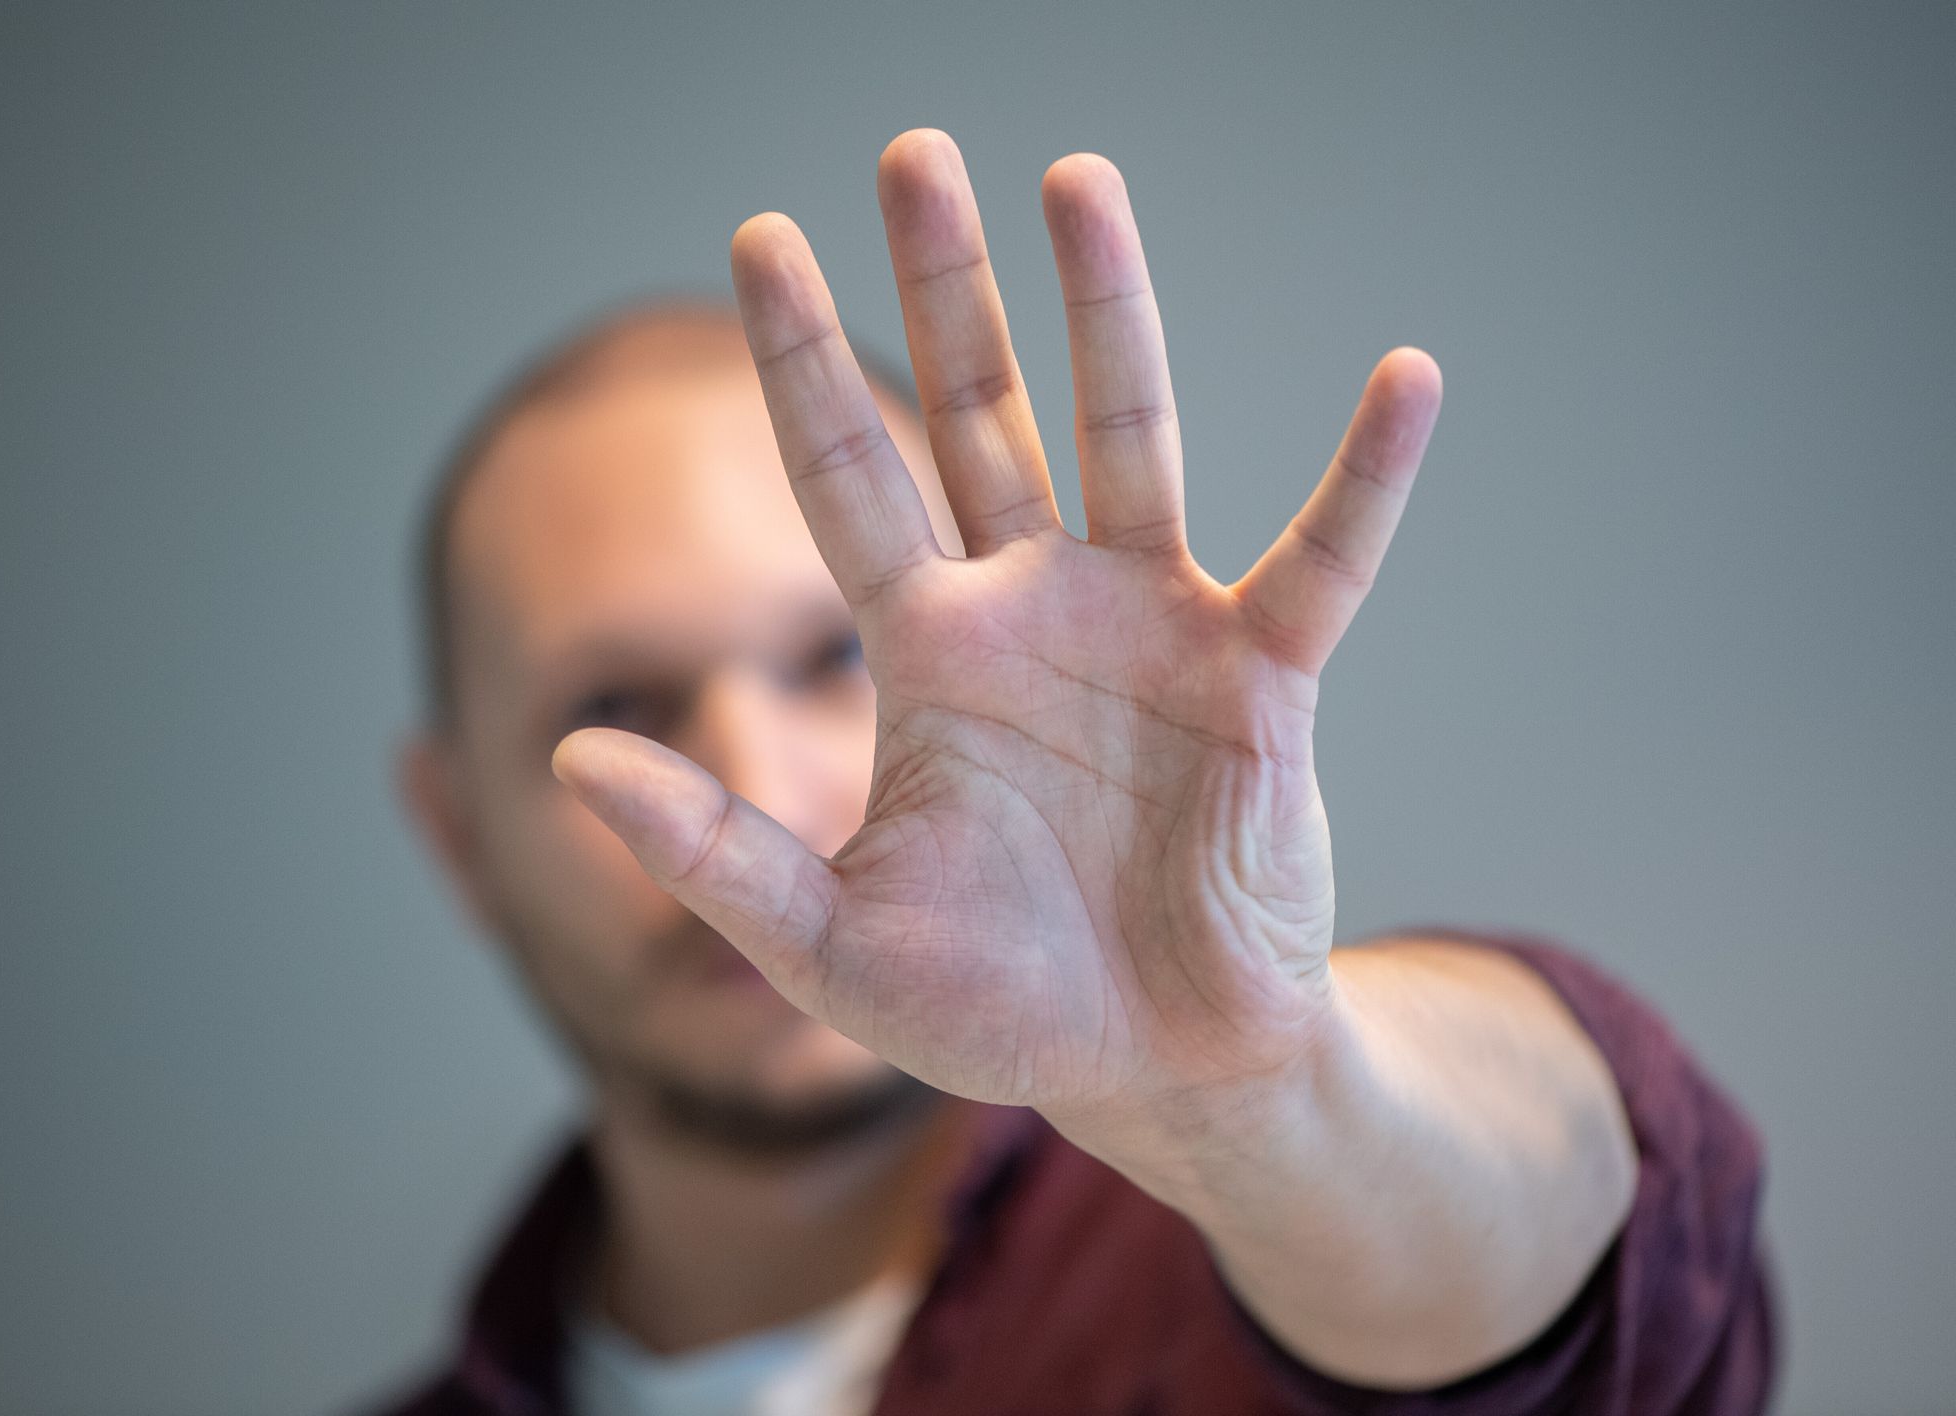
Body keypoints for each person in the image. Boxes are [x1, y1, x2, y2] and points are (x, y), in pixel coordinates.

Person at [381, 129, 1776, 1414]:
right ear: (457, 839)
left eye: (833, 659)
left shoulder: (1267, 1282)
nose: (759, 781)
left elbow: (1622, 1271)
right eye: (620, 705)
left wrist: (1275, 1094)